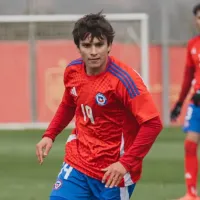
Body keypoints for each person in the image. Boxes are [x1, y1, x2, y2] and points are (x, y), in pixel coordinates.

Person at [36, 11, 163, 200]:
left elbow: (153, 124)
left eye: (99, 44)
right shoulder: (73, 71)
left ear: (109, 45)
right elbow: (69, 103)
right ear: (78, 48)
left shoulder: (125, 80)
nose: (93, 52)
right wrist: (50, 135)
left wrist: (125, 164)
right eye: (87, 45)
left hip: (113, 173)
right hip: (78, 162)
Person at [170, 4, 200, 200]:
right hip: (196, 103)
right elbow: (188, 76)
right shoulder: (193, 44)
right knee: (190, 145)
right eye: (198, 17)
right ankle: (191, 193)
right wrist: (180, 103)